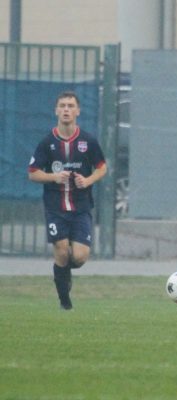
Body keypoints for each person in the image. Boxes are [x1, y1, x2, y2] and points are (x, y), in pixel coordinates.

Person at [28, 91, 107, 310]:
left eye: (71, 106)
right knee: (61, 250)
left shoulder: (87, 141)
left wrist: (88, 180)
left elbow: (102, 167)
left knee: (80, 257)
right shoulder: (47, 142)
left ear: (78, 111)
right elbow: (33, 173)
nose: (66, 109)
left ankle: (63, 273)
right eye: (62, 105)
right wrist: (53, 176)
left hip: (81, 208)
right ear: (56, 110)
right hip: (55, 208)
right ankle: (65, 302)